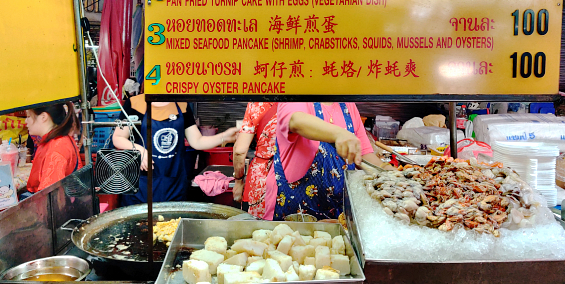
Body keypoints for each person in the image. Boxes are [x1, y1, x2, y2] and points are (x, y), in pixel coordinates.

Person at [263, 102, 395, 221]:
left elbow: (363, 153)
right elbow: (296, 121)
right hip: (292, 210)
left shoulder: (348, 105)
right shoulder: (298, 96)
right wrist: (339, 134)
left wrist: (387, 170)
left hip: (334, 212)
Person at [113, 95, 238, 205]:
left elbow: (197, 142)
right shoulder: (135, 103)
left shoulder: (181, 105)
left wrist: (224, 136)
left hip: (174, 184)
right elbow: (118, 138)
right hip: (141, 185)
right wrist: (140, 150)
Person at [232, 102, 278, 218]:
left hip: (261, 176)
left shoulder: (255, 105)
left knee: (258, 228)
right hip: (289, 171)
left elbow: (239, 150)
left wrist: (238, 181)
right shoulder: (300, 103)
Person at [25, 102, 81, 193]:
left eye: (28, 117)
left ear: (43, 117)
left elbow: (49, 194)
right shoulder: (54, 141)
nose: (25, 121)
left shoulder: (56, 148)